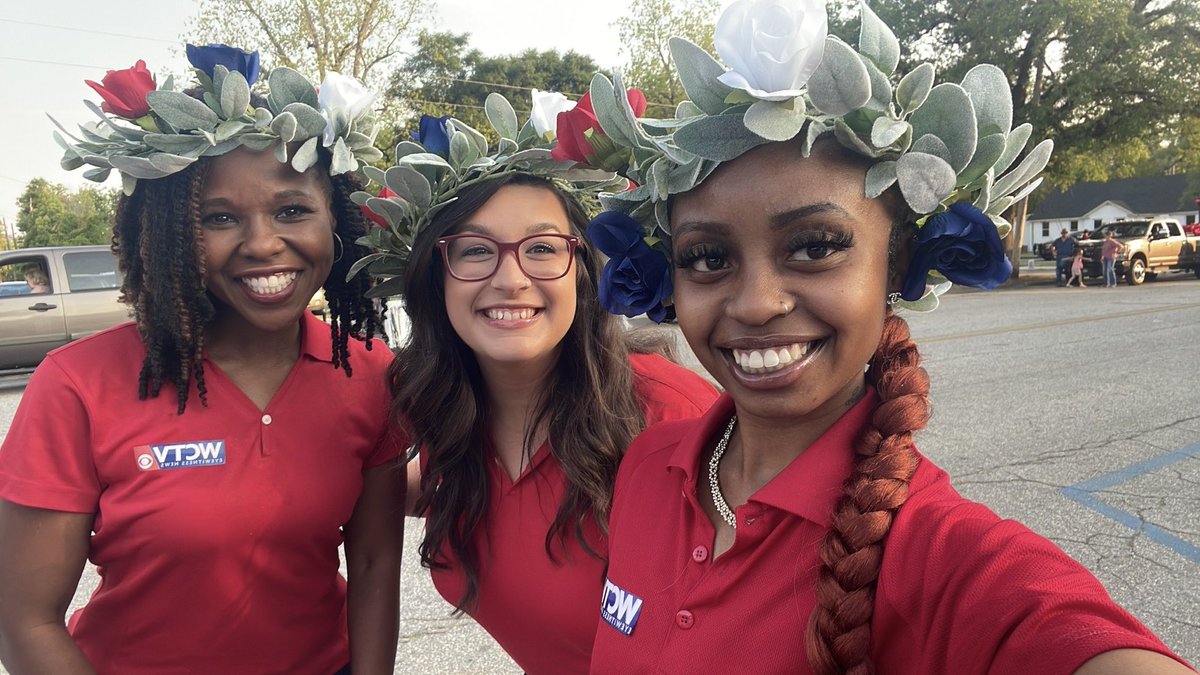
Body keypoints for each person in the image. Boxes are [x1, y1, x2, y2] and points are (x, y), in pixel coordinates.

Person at [579, 1, 1194, 673]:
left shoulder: (937, 554)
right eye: (707, 256)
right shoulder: (648, 465)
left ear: (897, 261)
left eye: (814, 246)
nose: (756, 303)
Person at [0, 45, 404, 675]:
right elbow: (25, 621)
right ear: (165, 234)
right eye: (218, 218)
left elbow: (376, 564)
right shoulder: (77, 385)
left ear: (339, 222)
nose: (264, 244)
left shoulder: (368, 373)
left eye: (293, 209)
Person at [358, 97, 719, 674]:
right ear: (434, 279)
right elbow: (429, 490)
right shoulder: (447, 418)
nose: (510, 279)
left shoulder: (673, 419)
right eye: (475, 251)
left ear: (582, 271)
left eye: (543, 248)